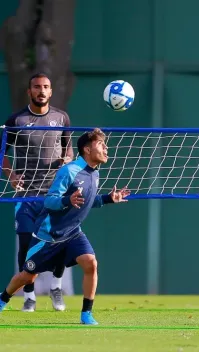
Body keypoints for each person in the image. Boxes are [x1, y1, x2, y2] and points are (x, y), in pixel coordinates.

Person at [0, 128, 130, 325]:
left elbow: (87, 200)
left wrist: (108, 199)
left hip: (73, 233)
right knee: (27, 276)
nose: (105, 147)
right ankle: (3, 299)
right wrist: (67, 200)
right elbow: (50, 201)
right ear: (87, 149)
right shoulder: (69, 171)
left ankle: (86, 314)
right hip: (48, 236)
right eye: (100, 144)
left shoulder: (94, 173)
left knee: (91, 263)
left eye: (105, 144)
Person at [1, 73, 74, 312]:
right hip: (26, 195)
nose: (41, 91)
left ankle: (56, 286)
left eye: (45, 87)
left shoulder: (61, 118)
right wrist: (11, 176)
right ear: (29, 91)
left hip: (55, 194)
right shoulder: (16, 120)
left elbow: (69, 152)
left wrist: (66, 162)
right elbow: (2, 154)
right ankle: (29, 295)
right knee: (25, 245)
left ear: (51, 92)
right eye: (36, 87)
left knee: (60, 243)